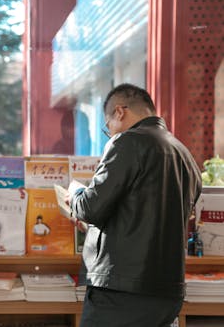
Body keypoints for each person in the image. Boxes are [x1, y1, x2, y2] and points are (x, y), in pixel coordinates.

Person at [69, 83, 202, 327]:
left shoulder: (127, 143)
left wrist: (75, 194)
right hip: (168, 290)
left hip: (122, 290)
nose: (110, 134)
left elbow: (91, 208)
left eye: (107, 127)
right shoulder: (184, 154)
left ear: (119, 112)